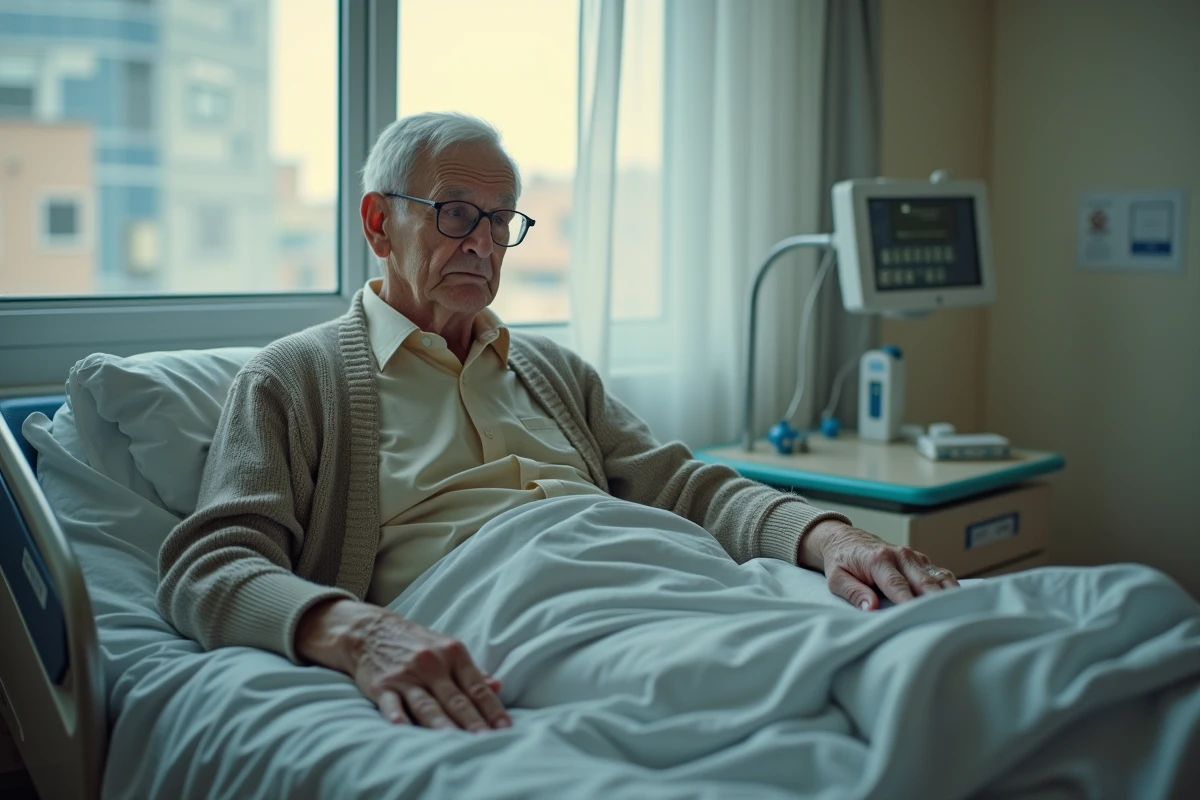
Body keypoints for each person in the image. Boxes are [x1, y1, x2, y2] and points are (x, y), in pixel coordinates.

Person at [157, 111, 959, 736]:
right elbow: (210, 568)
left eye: (502, 220)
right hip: (507, 593)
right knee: (804, 687)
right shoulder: (294, 378)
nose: (483, 243)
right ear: (377, 224)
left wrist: (833, 540)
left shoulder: (551, 368)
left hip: (665, 566)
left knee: (931, 642)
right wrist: (358, 634)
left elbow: (685, 488)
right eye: (456, 213)